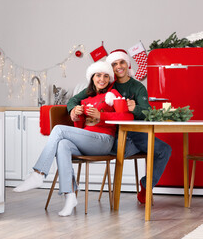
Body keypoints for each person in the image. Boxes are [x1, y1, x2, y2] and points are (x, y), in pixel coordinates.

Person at [13, 61, 134, 216]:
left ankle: (38, 174)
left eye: (105, 76)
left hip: (104, 141)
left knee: (58, 130)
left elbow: (127, 117)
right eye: (98, 75)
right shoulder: (85, 99)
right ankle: (70, 196)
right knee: (63, 144)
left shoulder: (112, 95)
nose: (102, 79)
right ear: (92, 77)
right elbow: (80, 129)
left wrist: (101, 115)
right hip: (88, 140)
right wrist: (75, 114)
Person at [67, 49, 172, 203]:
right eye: (114, 64)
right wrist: (73, 109)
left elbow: (148, 112)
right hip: (112, 135)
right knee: (129, 147)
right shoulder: (105, 82)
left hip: (137, 134)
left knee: (164, 149)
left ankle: (146, 184)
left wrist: (134, 108)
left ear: (128, 64)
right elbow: (74, 99)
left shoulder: (137, 87)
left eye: (121, 62)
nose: (118, 66)